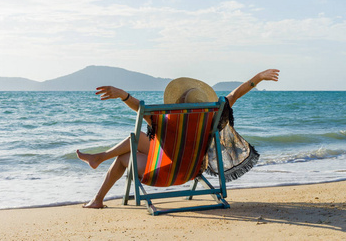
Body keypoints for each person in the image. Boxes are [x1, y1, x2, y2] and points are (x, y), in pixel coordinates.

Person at [76, 69, 280, 209]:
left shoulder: (168, 120)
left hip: (164, 174)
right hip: (191, 170)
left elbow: (140, 108)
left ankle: (97, 198)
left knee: (125, 156)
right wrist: (259, 77)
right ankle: (99, 158)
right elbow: (236, 94)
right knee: (137, 138)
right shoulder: (213, 116)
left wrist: (123, 94)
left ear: (178, 100)